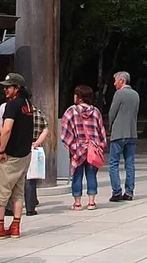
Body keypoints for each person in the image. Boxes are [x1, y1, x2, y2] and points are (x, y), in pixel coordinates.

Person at [0, 72, 33, 237]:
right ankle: (16, 225)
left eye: (8, 87)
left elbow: (7, 129)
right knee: (18, 190)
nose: (5, 90)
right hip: (25, 154)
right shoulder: (28, 105)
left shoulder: (11, 105)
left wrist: (1, 150)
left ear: (16, 88)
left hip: (10, 154)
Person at [60, 85, 108, 209]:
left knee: (77, 175)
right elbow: (101, 130)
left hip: (78, 149)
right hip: (93, 149)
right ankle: (91, 202)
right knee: (91, 175)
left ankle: (77, 203)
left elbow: (66, 130)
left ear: (80, 98)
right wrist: (100, 145)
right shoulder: (96, 111)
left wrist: (73, 145)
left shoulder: (72, 111)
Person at [106, 71, 139, 202]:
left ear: (122, 81)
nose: (114, 84)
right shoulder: (136, 94)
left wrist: (110, 126)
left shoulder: (119, 94)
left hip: (119, 132)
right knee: (130, 163)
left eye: (115, 81)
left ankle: (116, 191)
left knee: (113, 163)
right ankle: (129, 192)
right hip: (132, 132)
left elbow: (112, 112)